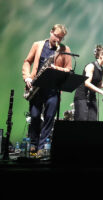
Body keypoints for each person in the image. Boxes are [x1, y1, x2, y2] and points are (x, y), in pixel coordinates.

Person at [22, 24, 72, 157]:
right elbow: (27, 61)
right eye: (56, 36)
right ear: (51, 32)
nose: (58, 40)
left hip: (53, 89)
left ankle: (41, 146)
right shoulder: (37, 45)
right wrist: (27, 77)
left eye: (61, 38)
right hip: (36, 87)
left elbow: (68, 69)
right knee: (34, 116)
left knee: (50, 117)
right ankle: (33, 142)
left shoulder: (64, 49)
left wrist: (56, 69)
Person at [74, 45, 103, 121]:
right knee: (82, 120)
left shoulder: (102, 69)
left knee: (93, 120)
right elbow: (87, 83)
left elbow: (99, 85)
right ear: (101, 56)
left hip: (92, 97)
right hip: (82, 96)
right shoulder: (91, 66)